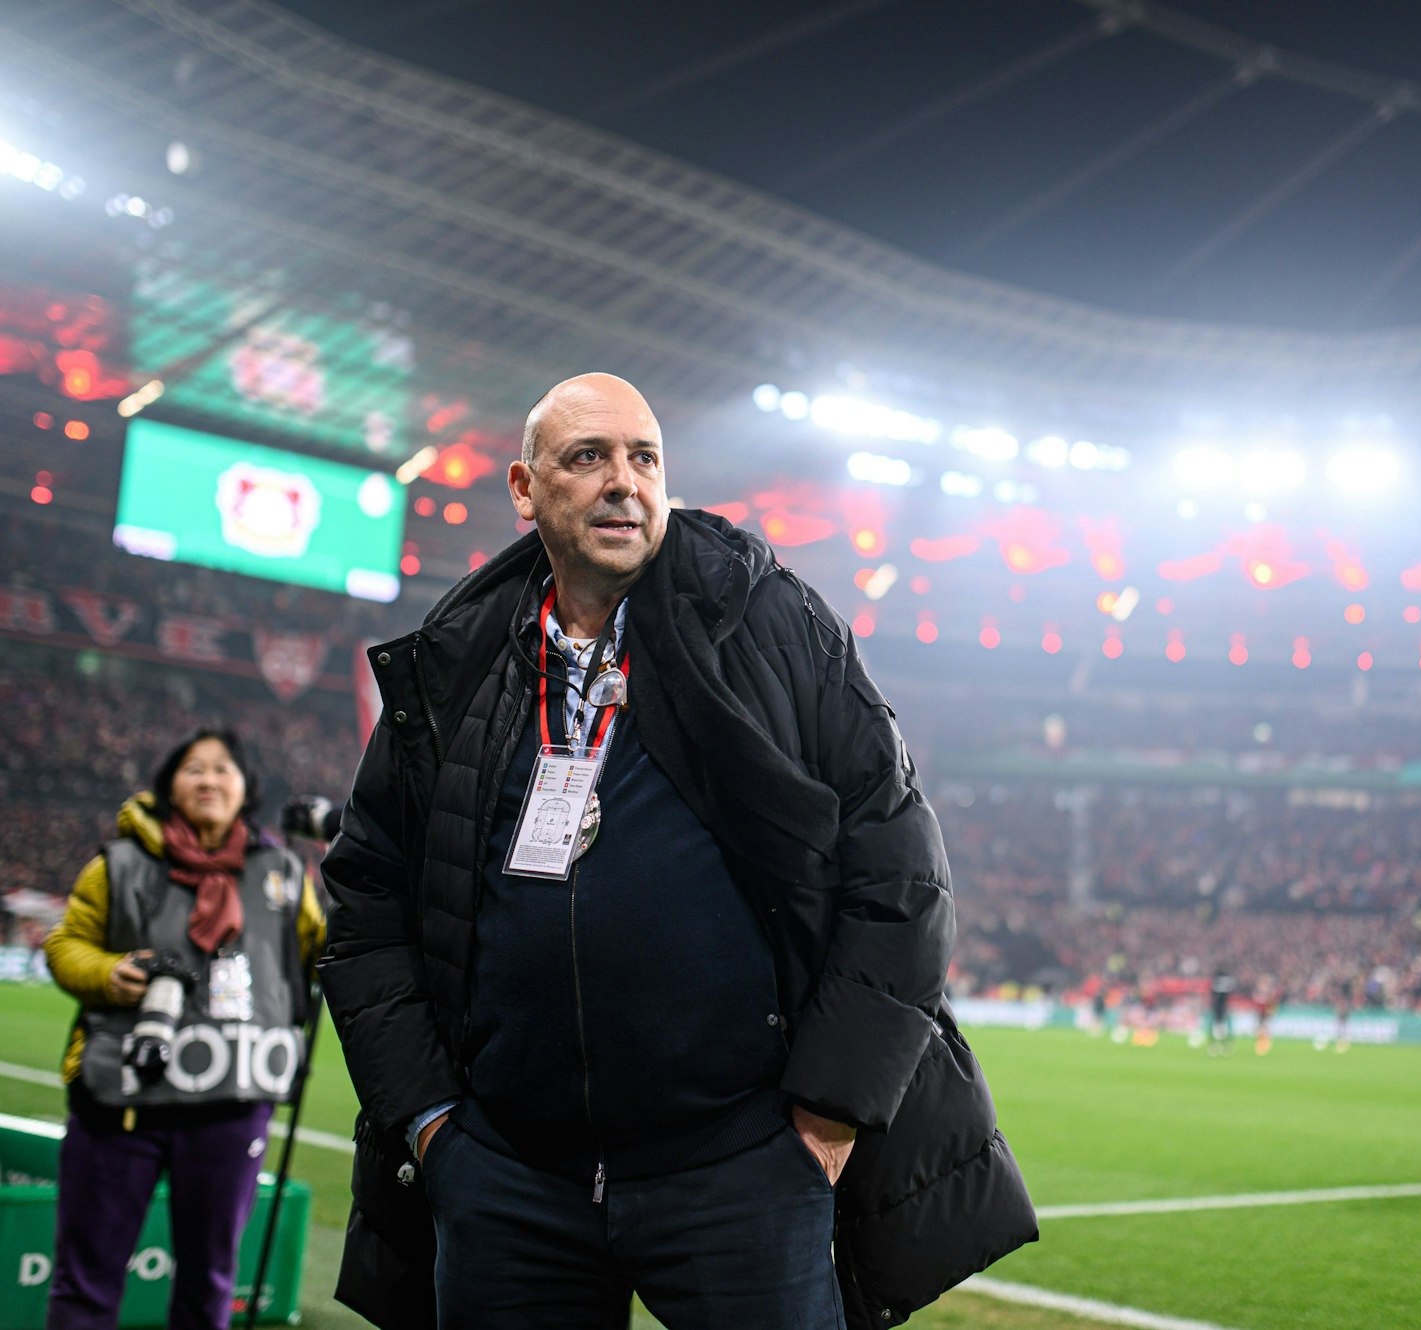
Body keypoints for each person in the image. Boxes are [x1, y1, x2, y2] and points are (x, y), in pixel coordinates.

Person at [319, 373, 1036, 1330]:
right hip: (507, 1177)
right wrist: (434, 1122)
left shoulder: (767, 625)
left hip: (741, 1169)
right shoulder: (460, 663)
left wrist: (827, 1112)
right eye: (589, 458)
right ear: (525, 490)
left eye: (643, 457)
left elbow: (901, 873)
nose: (624, 482)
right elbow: (365, 897)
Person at [42, 729, 324, 1330]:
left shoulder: (280, 871)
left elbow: (321, 954)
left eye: (223, 769)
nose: (208, 780)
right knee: (86, 1280)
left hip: (231, 1103)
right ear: (169, 784)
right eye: (193, 769)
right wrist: (108, 972)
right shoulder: (119, 863)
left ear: (245, 788)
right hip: (121, 1099)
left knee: (209, 1284)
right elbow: (66, 943)